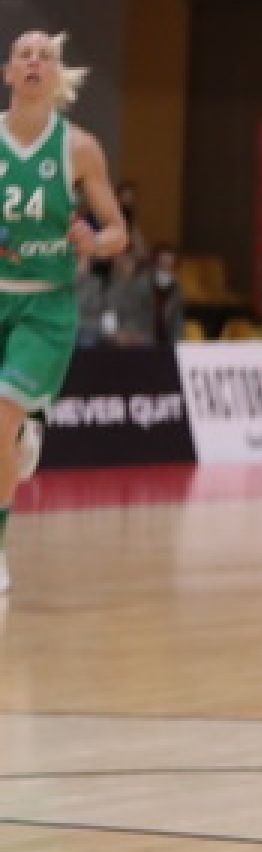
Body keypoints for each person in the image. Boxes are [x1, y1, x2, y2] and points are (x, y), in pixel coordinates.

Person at [0, 30, 128, 593]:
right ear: (8, 72)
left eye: (45, 56)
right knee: (3, 431)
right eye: (24, 55)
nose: (34, 62)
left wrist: (94, 242)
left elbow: (119, 232)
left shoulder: (78, 148)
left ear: (56, 77)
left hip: (45, 305)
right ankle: (23, 434)